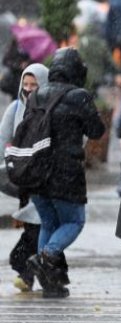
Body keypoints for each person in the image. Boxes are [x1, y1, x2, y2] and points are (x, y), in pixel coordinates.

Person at [25, 48, 106, 298]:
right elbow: (96, 131)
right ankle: (46, 256)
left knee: (48, 223)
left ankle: (50, 284)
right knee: (74, 221)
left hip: (36, 172)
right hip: (65, 172)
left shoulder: (36, 95)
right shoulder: (78, 96)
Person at [0, 63, 48, 292]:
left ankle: (27, 267)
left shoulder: (51, 108)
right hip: (22, 178)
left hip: (45, 177)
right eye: (25, 84)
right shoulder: (15, 108)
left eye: (34, 85)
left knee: (40, 225)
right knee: (34, 225)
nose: (29, 89)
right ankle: (33, 271)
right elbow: (2, 139)